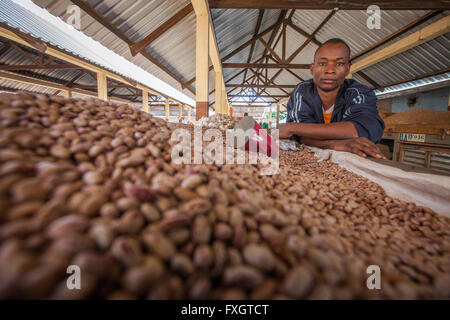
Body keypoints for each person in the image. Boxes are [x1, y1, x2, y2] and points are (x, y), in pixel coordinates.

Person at [278, 38, 385, 159]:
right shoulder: (303, 91)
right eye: (322, 63)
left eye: (339, 64)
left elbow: (363, 129)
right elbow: (302, 137)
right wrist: (336, 144)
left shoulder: (358, 92)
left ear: (347, 69)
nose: (330, 70)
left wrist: (291, 128)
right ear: (312, 69)